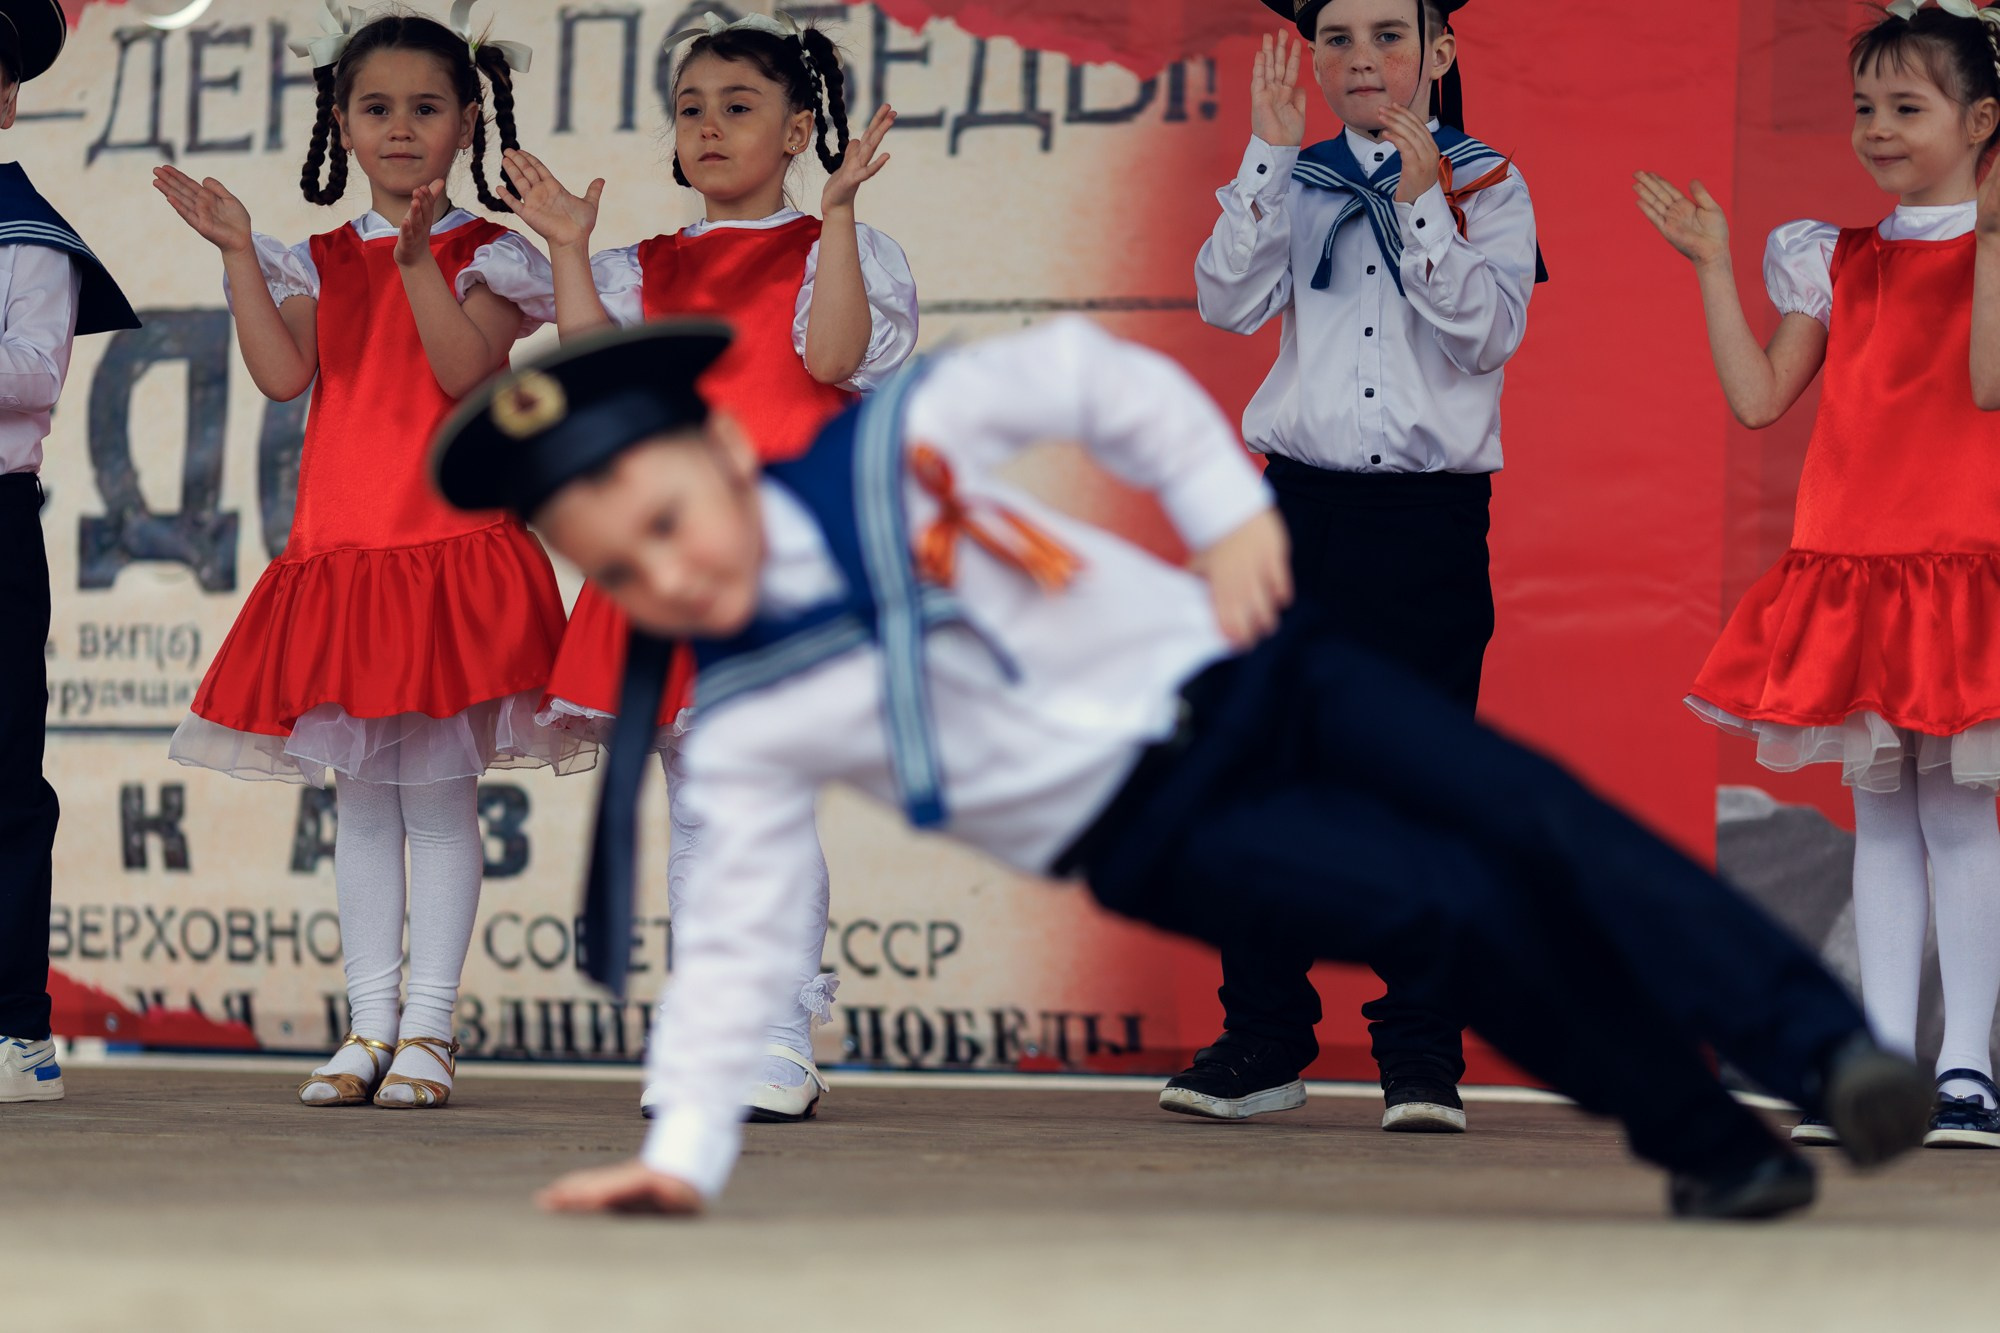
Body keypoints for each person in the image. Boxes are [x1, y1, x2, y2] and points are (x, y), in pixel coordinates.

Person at [432, 316, 1931, 1221]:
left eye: (667, 518)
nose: (668, 572)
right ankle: (1713, 1149)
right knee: (1451, 909)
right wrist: (682, 1151)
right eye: (621, 569)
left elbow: (1094, 378)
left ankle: (1825, 1052)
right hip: (1156, 824)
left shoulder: (894, 446)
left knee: (1537, 814)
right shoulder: (754, 713)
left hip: (1254, 672)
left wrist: (1224, 516)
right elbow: (741, 933)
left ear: (720, 449)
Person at [495, 9, 915, 1122]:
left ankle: (778, 1033)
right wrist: (571, 252)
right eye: (691, 110)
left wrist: (834, 214)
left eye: (739, 107)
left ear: (797, 128)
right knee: (695, 808)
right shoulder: (648, 266)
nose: (711, 128)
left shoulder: (852, 250)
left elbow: (830, 358)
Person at [155, 5, 577, 1109]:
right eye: (376, 108)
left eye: (426, 108)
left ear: (467, 120)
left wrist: (417, 261)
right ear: (340, 123)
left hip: (444, 555)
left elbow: (458, 370)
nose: (400, 130)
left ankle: (429, 1031)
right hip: (344, 555)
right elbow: (284, 378)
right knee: (358, 801)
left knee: (437, 799)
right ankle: (367, 1025)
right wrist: (243, 255)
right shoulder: (319, 258)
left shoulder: (492, 254)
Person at [1640, 0, 2000, 1152]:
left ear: (1980, 119)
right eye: (1863, 109)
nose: (1877, 129)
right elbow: (1755, 400)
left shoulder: (1993, 251)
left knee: (1954, 812)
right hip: (1851, 566)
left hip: (1956, 559)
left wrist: (1990, 237)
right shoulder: (1828, 257)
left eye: (1907, 106)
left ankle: (1964, 1068)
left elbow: (1988, 386)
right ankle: (1881, 1061)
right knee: (1880, 818)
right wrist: (1708, 268)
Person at [1186, 0, 1541, 1131]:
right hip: (1294, 506)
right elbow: (1224, 300)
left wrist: (1420, 204)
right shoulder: (1293, 177)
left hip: (1424, 520)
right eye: (1335, 38)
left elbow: (1483, 334)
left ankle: (1421, 1054)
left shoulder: (1488, 182)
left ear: (1437, 56)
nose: (1359, 60)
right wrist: (1262, 153)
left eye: (1388, 36)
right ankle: (1262, 1039)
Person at [0, 0, 141, 1106]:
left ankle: (15, 1030)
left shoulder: (25, 229)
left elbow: (32, 373)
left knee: (3, 780)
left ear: (5, 97)